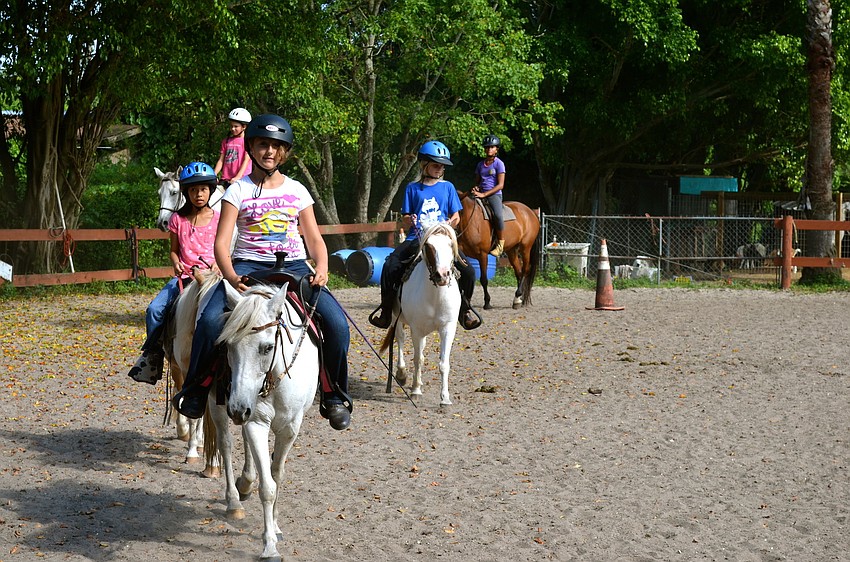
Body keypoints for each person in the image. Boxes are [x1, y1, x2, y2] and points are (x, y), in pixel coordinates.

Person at [171, 114, 352, 431]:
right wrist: (230, 275)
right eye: (263, 144)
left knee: (337, 324)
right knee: (210, 321)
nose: (269, 151)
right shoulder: (236, 190)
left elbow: (314, 239)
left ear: (284, 152)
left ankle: (334, 394)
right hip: (247, 267)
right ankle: (197, 390)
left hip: (294, 266)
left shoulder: (297, 190)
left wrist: (321, 268)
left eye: (276, 146)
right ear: (251, 147)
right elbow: (222, 243)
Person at [369, 140, 482, 331]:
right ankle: (386, 311)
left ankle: (465, 310)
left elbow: (455, 216)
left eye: (442, 166)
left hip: (443, 240)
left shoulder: (448, 188)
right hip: (417, 238)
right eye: (436, 165)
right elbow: (405, 217)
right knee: (390, 266)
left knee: (469, 271)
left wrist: (448, 225)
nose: (440, 169)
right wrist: (409, 219)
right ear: (424, 164)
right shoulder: (412, 188)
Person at [128, 162, 221, 384]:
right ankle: (154, 355)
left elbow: (223, 248)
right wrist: (176, 263)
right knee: (154, 309)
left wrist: (218, 265)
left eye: (203, 189)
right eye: (193, 190)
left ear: (210, 190)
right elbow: (173, 251)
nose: (199, 194)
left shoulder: (219, 218)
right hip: (185, 277)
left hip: (213, 277)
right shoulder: (177, 220)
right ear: (186, 192)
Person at [472, 134, 506, 256]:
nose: (489, 149)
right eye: (487, 147)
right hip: (480, 193)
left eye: (492, 147)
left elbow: (500, 185)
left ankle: (500, 244)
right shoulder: (480, 164)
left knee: (497, 214)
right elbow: (477, 181)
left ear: (496, 149)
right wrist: (476, 188)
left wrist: (484, 194)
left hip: (494, 194)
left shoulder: (499, 164)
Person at [213, 107, 252, 184]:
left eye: (236, 126)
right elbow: (221, 160)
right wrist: (213, 174)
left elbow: (246, 160)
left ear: (244, 127)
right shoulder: (226, 141)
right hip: (226, 179)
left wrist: (238, 176)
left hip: (242, 179)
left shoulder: (247, 141)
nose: (233, 129)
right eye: (231, 126)